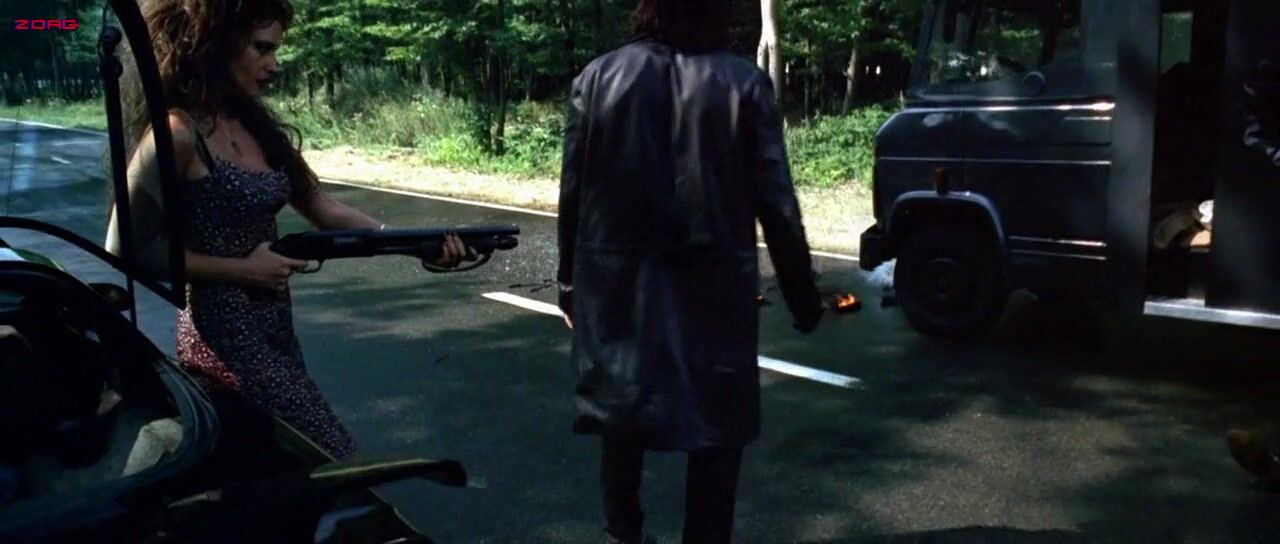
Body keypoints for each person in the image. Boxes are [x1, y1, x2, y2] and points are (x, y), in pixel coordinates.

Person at [104, 0, 473, 459]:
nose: (274, 65)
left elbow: (323, 208)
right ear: (214, 44)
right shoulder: (176, 133)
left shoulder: (257, 126)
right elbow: (124, 248)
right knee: (334, 459)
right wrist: (242, 270)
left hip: (275, 329)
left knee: (281, 465)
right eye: (261, 48)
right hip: (222, 339)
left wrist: (415, 244)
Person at [556, 1, 824, 541]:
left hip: (620, 289)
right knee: (716, 432)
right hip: (715, 291)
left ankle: (622, 534)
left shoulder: (599, 78)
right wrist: (802, 296)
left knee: (622, 416)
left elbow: (574, 194)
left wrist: (569, 287)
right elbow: (777, 202)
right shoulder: (744, 83)